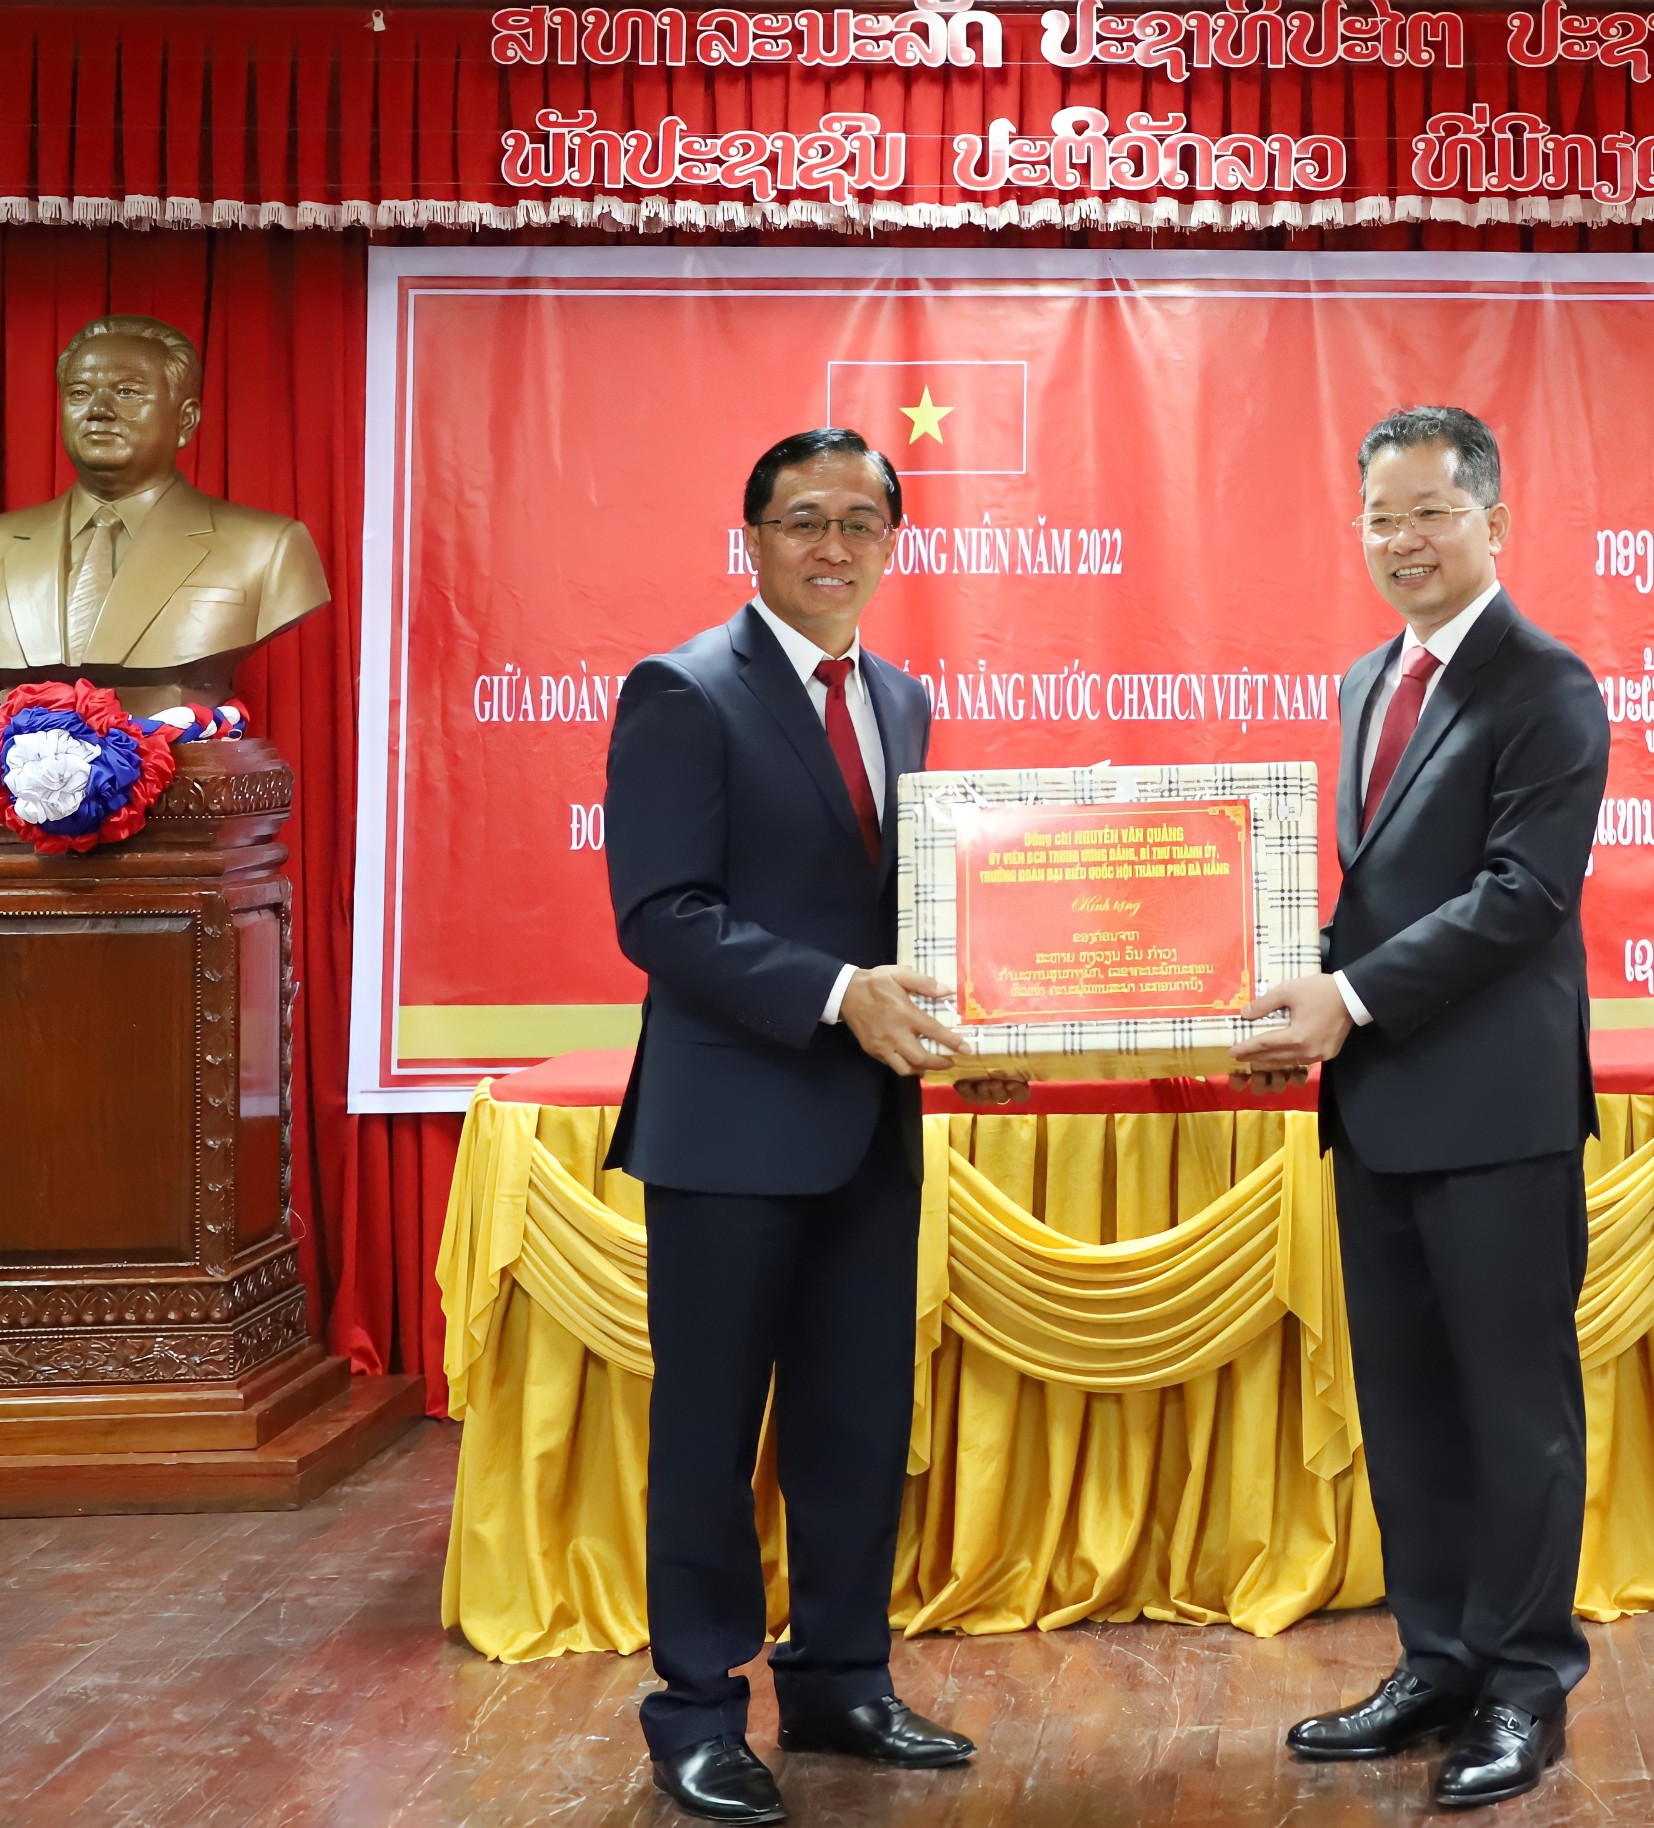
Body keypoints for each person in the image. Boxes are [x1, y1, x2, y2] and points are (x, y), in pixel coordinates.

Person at [602, 428, 1020, 1825]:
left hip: (867, 1128)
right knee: (712, 1433)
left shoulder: (900, 697)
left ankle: (842, 1679)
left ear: (894, 544)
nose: (831, 546)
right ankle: (700, 1711)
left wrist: (996, 1028)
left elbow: (913, 918)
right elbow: (662, 916)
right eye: (801, 521)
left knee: (855, 1421)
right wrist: (842, 994)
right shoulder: (683, 690)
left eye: (859, 521)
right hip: (728, 1128)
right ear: (753, 540)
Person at [1232, 406, 1611, 1810]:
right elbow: (1375, 893)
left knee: (1516, 1413)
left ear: (1495, 523)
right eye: (1381, 518)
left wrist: (1350, 1001)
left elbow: (1521, 898)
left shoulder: (1547, 685)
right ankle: (1437, 1658)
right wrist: (1282, 994)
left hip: (1497, 1114)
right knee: (1406, 1407)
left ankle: (1524, 1690)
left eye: (1431, 514)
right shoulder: (1361, 684)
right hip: (1378, 1108)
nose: (1402, 542)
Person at [0, 314, 328, 713]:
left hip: (177, 758)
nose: (98, 410)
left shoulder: (267, 548)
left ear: (185, 420)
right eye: (80, 393)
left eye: (128, 392)